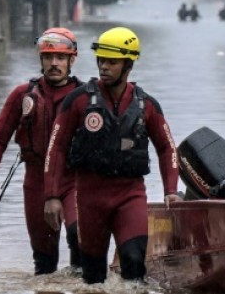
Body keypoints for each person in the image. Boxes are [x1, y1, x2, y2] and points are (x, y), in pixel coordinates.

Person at [43, 26, 181, 284]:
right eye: (101, 60)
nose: (103, 66)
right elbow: (56, 147)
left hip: (130, 194)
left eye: (111, 62)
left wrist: (170, 190)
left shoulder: (147, 105)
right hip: (90, 196)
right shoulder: (78, 101)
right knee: (93, 277)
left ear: (128, 65)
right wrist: (51, 195)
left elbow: (167, 148)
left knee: (133, 260)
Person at [0, 27, 83, 275]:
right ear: (41, 60)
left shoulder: (86, 97)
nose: (54, 64)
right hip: (36, 181)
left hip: (74, 180)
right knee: (45, 265)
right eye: (48, 57)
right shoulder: (22, 95)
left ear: (72, 60)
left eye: (60, 57)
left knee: (80, 240)